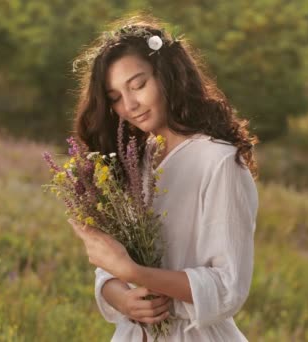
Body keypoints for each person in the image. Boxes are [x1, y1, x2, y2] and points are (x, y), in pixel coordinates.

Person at [68, 14, 259, 342]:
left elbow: (228, 286)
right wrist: (125, 299)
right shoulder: (133, 164)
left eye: (138, 85)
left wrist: (136, 273)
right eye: (115, 97)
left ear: (168, 75)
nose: (129, 105)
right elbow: (109, 271)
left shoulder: (219, 162)